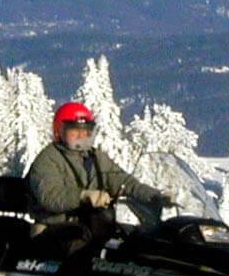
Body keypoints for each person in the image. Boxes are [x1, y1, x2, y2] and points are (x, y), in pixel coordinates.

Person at [26, 102, 171, 257]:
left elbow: (122, 180)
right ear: (60, 130)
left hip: (93, 224)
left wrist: (155, 196)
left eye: (86, 130)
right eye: (75, 130)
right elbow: (50, 196)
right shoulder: (47, 160)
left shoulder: (95, 157)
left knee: (131, 240)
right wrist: (83, 196)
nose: (81, 135)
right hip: (54, 227)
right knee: (80, 246)